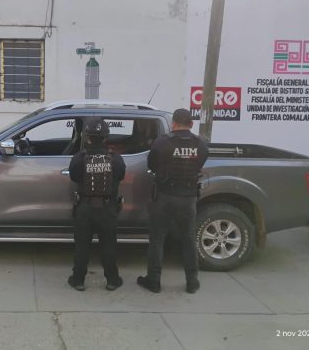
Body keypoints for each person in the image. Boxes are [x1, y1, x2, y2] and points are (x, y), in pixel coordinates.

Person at [137, 108, 209, 294]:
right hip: (188, 197)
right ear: (191, 124)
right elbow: (200, 164)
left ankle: (154, 280)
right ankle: (192, 281)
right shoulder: (200, 144)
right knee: (188, 239)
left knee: (157, 239)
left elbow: (152, 165)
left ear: (173, 124)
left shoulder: (162, 142)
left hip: (164, 196)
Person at [67, 117, 126, 291]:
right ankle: (112, 280)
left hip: (85, 209)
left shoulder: (78, 158)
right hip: (107, 209)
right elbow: (120, 176)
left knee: (82, 246)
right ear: (106, 137)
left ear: (87, 138)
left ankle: (78, 280)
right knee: (108, 246)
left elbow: (74, 177)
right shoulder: (116, 160)